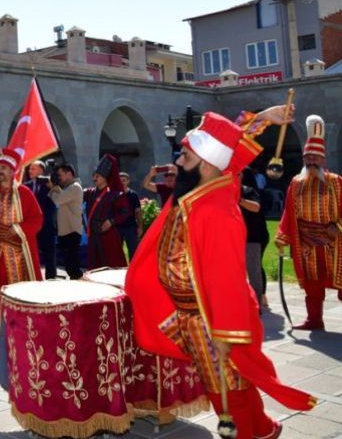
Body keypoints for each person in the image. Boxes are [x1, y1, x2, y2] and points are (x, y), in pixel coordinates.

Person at [127, 107, 314, 438]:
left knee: (225, 389)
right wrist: (262, 119)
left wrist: (227, 336)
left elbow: (227, 281)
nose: (177, 163)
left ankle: (252, 431)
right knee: (229, 383)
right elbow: (231, 149)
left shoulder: (216, 209)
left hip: (210, 320)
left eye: (185, 156)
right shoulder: (196, 190)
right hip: (185, 312)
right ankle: (265, 429)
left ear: (206, 163)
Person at [275, 114, 342, 331]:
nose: (311, 161)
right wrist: (282, 237)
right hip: (306, 244)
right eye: (308, 157)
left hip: (335, 242)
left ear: (323, 159)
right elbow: (288, 212)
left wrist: (338, 226)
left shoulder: (337, 182)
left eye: (315, 157)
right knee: (312, 284)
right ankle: (315, 320)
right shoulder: (296, 183)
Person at [0, 148, 43, 337]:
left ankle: (28, 328)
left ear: (13, 171)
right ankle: (1, 328)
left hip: (20, 253)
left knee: (24, 290)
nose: (0, 171)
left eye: (4, 168)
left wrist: (17, 229)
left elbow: (37, 219)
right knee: (0, 290)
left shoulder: (24, 193)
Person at [83, 155, 132, 269]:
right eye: (94, 176)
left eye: (98, 176)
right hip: (93, 235)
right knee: (95, 265)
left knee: (110, 264)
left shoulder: (115, 194)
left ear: (105, 177)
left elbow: (125, 212)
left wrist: (111, 221)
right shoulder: (89, 192)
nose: (95, 178)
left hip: (108, 234)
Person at [47, 163, 84, 279]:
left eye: (60, 175)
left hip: (72, 231)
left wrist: (53, 188)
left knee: (72, 266)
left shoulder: (75, 187)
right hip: (65, 231)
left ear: (69, 174)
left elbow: (58, 200)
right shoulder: (66, 188)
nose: (59, 178)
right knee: (69, 265)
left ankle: (81, 285)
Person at [23, 161, 58, 279]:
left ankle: (51, 279)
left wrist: (52, 186)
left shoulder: (50, 185)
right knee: (29, 254)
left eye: (33, 168)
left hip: (46, 225)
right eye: (29, 168)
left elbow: (59, 199)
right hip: (30, 226)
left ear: (41, 171)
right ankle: (31, 278)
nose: (30, 170)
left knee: (49, 255)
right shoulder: (25, 186)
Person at [239, 168, 267, 313]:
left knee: (253, 271)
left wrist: (239, 200)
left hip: (251, 238)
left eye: (237, 173)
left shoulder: (249, 190)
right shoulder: (223, 192)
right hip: (232, 238)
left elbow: (256, 207)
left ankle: (256, 305)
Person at [118, 172, 142, 259]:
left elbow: (138, 212)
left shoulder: (133, 195)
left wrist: (140, 227)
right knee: (117, 252)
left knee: (133, 251)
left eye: (124, 180)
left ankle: (134, 270)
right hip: (117, 227)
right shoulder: (114, 195)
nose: (122, 182)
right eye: (120, 181)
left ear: (128, 181)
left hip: (131, 227)